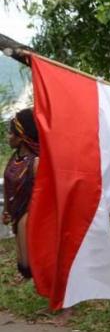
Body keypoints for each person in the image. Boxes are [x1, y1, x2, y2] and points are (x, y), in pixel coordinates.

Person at [2, 108, 39, 279]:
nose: (8, 137)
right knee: (28, 263)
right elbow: (10, 186)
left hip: (32, 217)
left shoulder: (36, 162)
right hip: (19, 215)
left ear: (22, 136)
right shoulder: (15, 158)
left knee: (38, 260)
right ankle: (54, 302)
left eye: (11, 133)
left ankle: (67, 305)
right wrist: (7, 209)